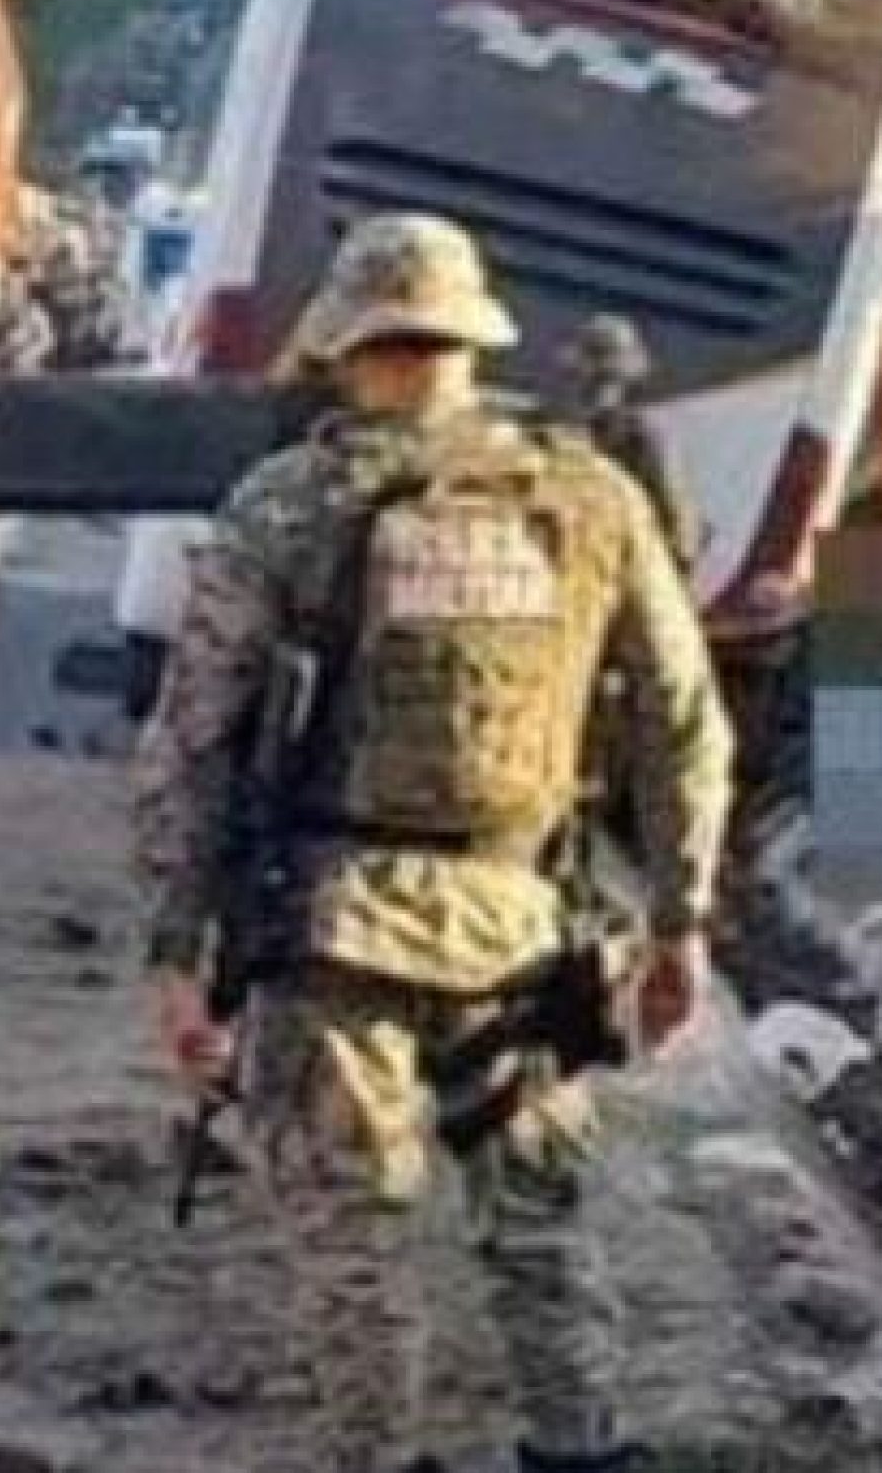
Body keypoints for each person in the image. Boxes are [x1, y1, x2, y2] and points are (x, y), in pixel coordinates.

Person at [133, 213, 734, 1473]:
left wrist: (177, 946)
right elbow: (681, 718)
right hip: (522, 921)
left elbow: (193, 735)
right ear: (470, 337)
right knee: (541, 1223)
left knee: (355, 1242)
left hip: (332, 924)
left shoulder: (288, 503)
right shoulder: (589, 496)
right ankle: (579, 1449)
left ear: (347, 343)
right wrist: (681, 917)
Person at [558, 313, 701, 572]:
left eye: (600, 378)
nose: (586, 385)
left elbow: (680, 530)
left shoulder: (643, 438)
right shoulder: (565, 433)